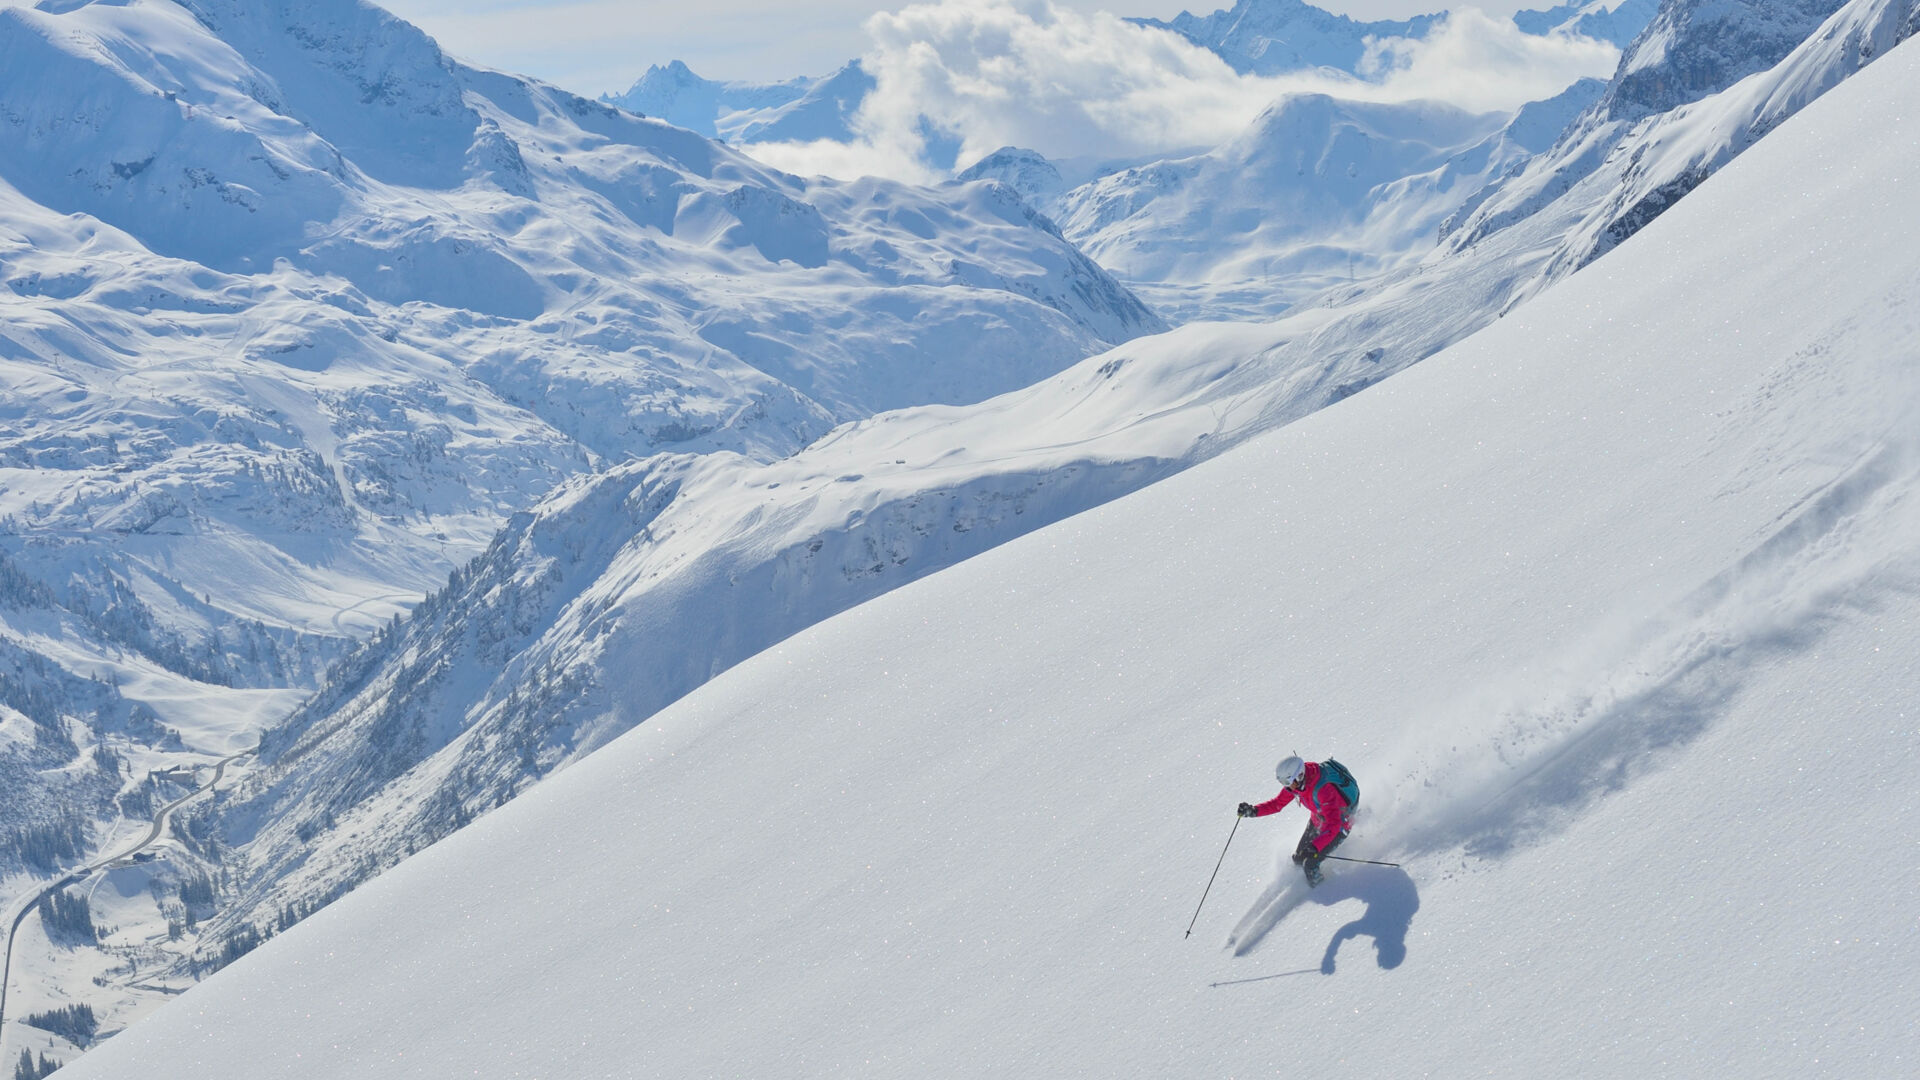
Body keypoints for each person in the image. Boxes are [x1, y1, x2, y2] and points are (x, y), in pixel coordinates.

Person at [1237, 755, 1356, 887]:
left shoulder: (1323, 790)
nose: (1287, 787)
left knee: (1310, 865)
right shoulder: (1296, 786)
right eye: (1283, 783)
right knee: (1299, 859)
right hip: (1318, 820)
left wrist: (1315, 847)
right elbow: (1277, 804)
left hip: (1339, 828)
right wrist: (1254, 811)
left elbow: (1334, 824)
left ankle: (1322, 889)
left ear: (1299, 775)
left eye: (1287, 782)